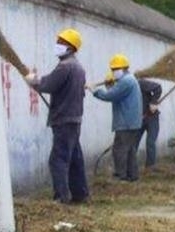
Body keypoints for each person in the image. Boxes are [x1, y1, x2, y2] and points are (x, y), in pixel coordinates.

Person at [25, 28, 88, 204]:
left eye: (61, 42)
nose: (57, 45)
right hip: (74, 118)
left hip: (64, 119)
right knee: (74, 158)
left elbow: (48, 84)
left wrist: (34, 80)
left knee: (58, 159)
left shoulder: (65, 66)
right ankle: (80, 194)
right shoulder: (79, 68)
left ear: (71, 47)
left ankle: (61, 197)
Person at [90, 54, 144, 182]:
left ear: (123, 68)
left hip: (126, 123)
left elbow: (110, 96)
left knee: (119, 150)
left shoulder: (126, 81)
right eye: (112, 69)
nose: (113, 72)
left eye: (115, 69)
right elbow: (117, 94)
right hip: (132, 122)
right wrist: (110, 86)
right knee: (130, 150)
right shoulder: (130, 79)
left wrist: (94, 91)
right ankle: (132, 176)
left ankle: (121, 176)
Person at [139, 77, 163, 169]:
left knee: (150, 142)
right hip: (138, 120)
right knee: (133, 143)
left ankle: (150, 167)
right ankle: (130, 168)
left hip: (151, 117)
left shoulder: (140, 83)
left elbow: (157, 88)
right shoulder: (122, 89)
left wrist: (153, 102)